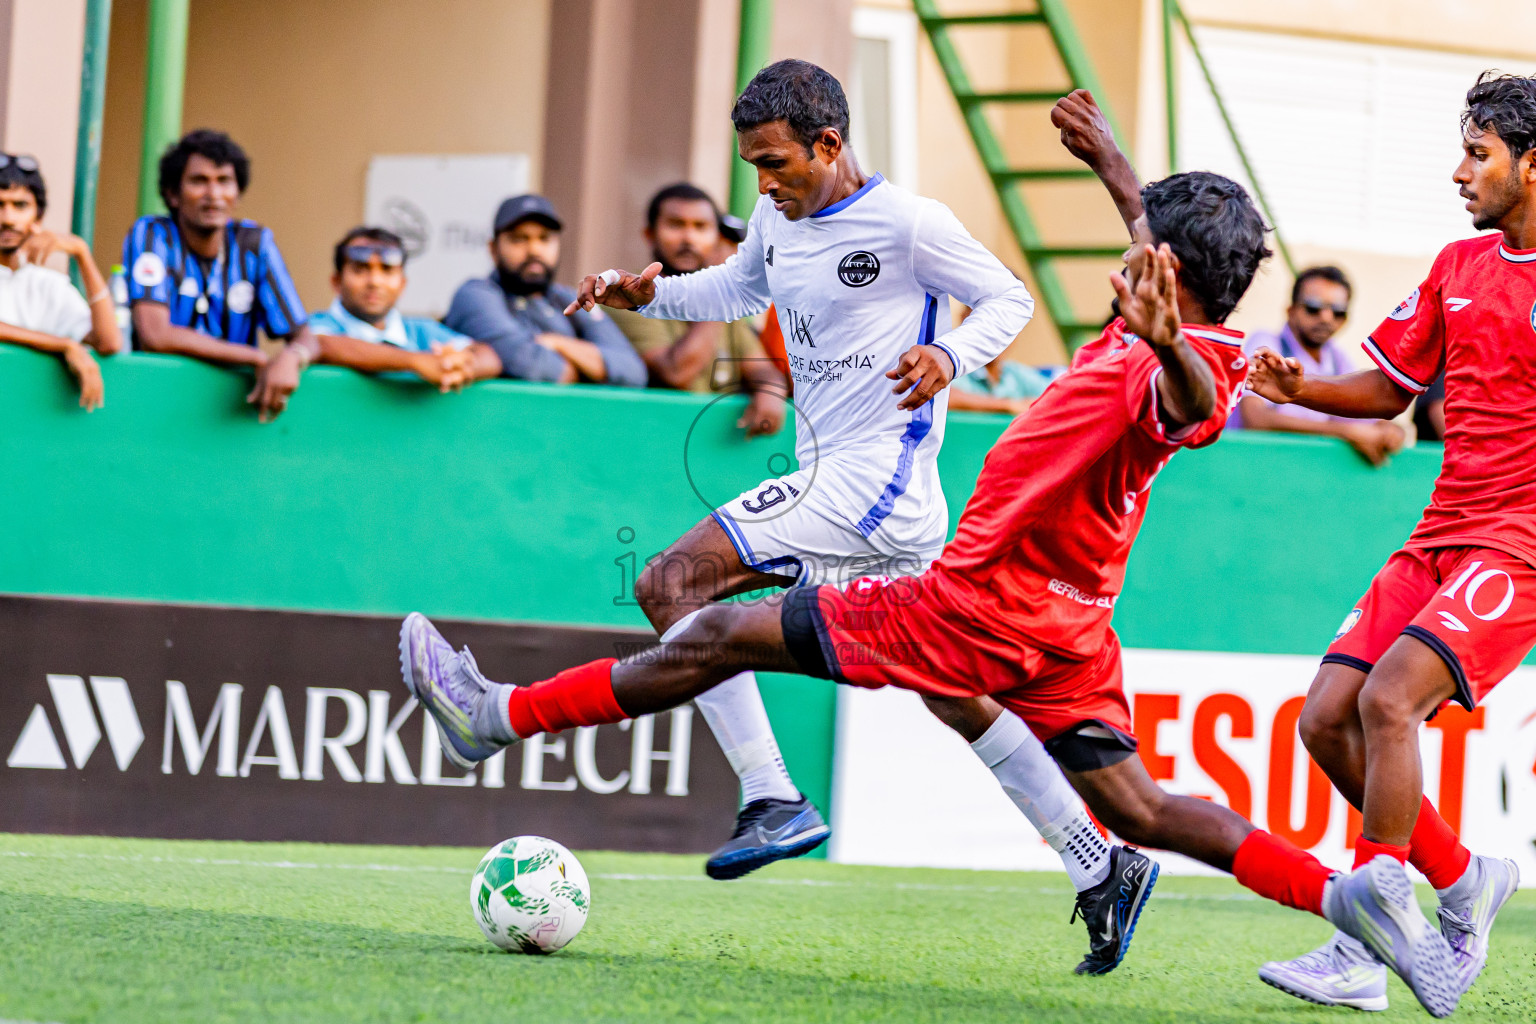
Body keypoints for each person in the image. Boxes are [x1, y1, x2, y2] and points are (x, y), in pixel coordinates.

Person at [399, 88, 1468, 1016]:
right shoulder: (1183, 317)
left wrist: (1166, 342)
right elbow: (1161, 248)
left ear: (1165, 273)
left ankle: (492, 718)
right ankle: (1345, 897)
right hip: (1069, 626)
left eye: (1144, 249)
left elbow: (1186, 406)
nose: (1127, 252)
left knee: (713, 626)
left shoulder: (1177, 362)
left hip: (976, 603)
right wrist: (1109, 164)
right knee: (1140, 806)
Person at [1245, 70, 1530, 1014]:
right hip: (1442, 531)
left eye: (1478, 154)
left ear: (1533, 165)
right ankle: (1463, 879)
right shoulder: (1459, 264)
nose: (1459, 172)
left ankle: (1370, 942)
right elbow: (1385, 388)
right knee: (1325, 715)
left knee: (1391, 699)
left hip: (1518, 547)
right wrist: (1299, 391)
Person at [122, 130, 317, 421]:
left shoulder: (254, 243)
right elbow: (155, 335)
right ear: (173, 195)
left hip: (229, 415)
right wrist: (253, 357)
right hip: (154, 405)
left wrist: (292, 357)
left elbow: (304, 335)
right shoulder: (152, 234)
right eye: (199, 181)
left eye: (224, 181)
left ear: (237, 194)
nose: (213, 195)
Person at [609, 183, 787, 437]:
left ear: (716, 237)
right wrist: (720, 290)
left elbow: (761, 369)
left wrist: (770, 391)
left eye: (701, 227)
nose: (688, 238)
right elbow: (676, 373)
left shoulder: (727, 308)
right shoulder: (630, 299)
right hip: (652, 440)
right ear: (649, 234)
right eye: (675, 224)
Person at [443, 195, 645, 387]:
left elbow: (634, 373)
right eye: (519, 239)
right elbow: (535, 366)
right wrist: (589, 369)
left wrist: (558, 344)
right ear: (493, 248)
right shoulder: (475, 294)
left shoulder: (568, 298)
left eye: (544, 238)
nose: (534, 250)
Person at [1232, 265, 1406, 466]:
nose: (1326, 318)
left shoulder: (1338, 358)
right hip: (1248, 466)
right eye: (1313, 308)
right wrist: (1346, 432)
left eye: (1338, 312)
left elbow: (1362, 416)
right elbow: (1255, 420)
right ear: (1291, 310)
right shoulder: (1267, 344)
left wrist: (1390, 430)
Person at [307, 227, 501, 390]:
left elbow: (490, 357)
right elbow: (322, 345)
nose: (375, 281)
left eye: (387, 270)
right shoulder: (317, 325)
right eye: (360, 269)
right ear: (336, 281)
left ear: (402, 284)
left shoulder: (420, 330)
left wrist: (460, 366)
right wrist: (417, 362)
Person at [0, 154, 121, 409]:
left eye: (20, 205)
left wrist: (82, 254)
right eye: (0, 205)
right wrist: (63, 345)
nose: (8, 218)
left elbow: (109, 342)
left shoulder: (48, 284)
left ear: (38, 218)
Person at [948, 351, 1050, 415]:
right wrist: (1008, 405)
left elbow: (1055, 396)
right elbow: (946, 397)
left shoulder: (1016, 372)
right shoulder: (954, 367)